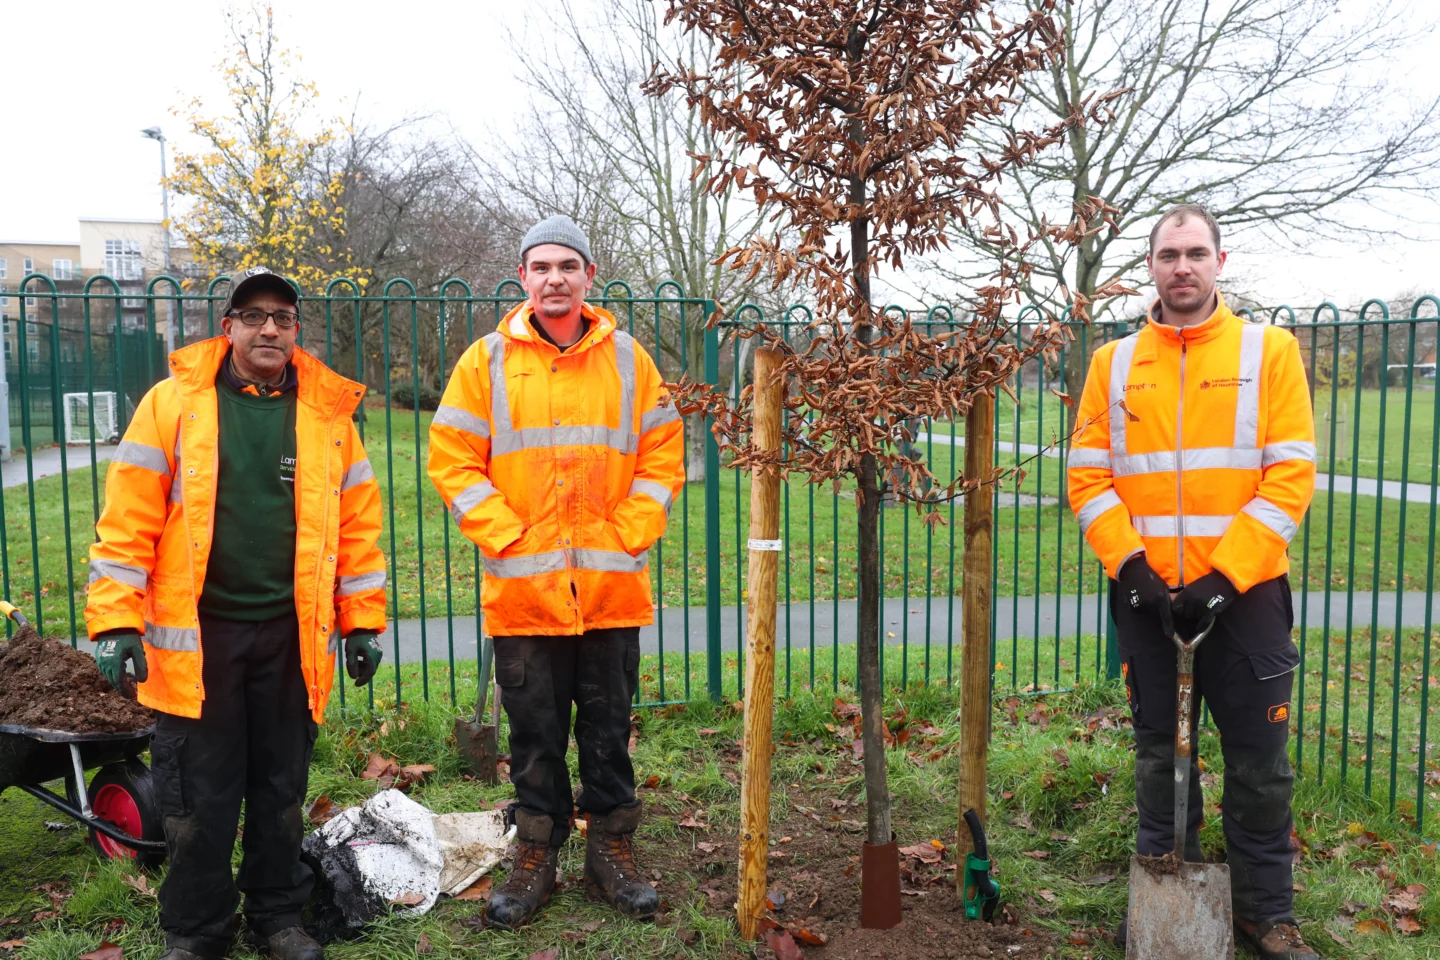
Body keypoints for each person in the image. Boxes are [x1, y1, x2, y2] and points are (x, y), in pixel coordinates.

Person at [86, 267, 388, 960]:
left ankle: (277, 919)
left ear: (296, 330)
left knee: (281, 789)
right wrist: (116, 622)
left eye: (282, 317)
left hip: (291, 640)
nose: (269, 329)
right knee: (197, 797)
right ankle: (196, 930)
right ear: (227, 328)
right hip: (200, 643)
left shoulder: (328, 418)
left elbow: (359, 530)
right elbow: (126, 524)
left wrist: (363, 620)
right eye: (253, 316)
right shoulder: (172, 406)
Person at [1067, 205, 1318, 959]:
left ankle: (1265, 913)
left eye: (1196, 253)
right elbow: (1088, 477)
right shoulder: (1113, 364)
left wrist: (1223, 577)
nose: (1183, 266)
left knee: (1258, 763)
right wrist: (1132, 567)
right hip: (1149, 598)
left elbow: (1289, 478)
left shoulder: (1268, 351)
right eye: (1169, 253)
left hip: (1245, 601)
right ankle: (1164, 889)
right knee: (1159, 756)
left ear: (1220, 261)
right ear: (1150, 264)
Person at [428, 215, 684, 929]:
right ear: (523, 279)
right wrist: (506, 537)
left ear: (589, 278)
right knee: (533, 734)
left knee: (606, 730)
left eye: (567, 265)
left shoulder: (630, 361)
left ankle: (612, 849)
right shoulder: (486, 362)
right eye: (540, 267)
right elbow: (451, 458)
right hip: (524, 591)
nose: (554, 278)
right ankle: (537, 853)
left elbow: (664, 454)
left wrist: (629, 532)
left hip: (609, 589)